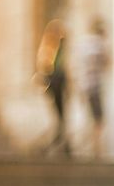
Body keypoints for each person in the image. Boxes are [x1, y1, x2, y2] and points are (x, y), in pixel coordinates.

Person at [78, 17, 110, 159]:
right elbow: (107, 62)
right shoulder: (98, 44)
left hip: (84, 85)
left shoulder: (84, 43)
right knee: (98, 120)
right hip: (94, 86)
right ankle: (96, 150)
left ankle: (91, 148)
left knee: (90, 118)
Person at [36, 19, 69, 156]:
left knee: (61, 116)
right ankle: (56, 143)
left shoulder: (59, 49)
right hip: (54, 83)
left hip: (59, 83)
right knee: (58, 116)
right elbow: (45, 67)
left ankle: (63, 143)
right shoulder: (49, 48)